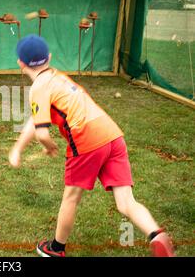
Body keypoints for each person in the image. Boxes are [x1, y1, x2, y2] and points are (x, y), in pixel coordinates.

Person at [9, 34, 175, 257]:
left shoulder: (39, 86)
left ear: (20, 63)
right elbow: (36, 118)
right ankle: (156, 234)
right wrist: (18, 148)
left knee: (71, 198)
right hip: (112, 135)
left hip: (86, 141)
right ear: (49, 57)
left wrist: (48, 146)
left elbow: (41, 132)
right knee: (126, 201)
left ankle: (56, 249)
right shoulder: (58, 77)